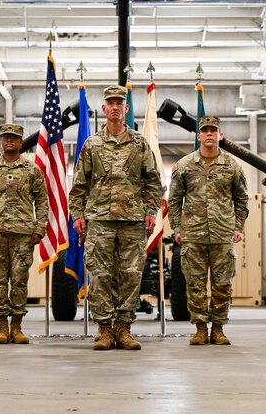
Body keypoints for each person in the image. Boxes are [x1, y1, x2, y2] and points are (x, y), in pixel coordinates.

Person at [69, 84, 163, 351]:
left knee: (131, 275)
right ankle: (104, 329)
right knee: (100, 276)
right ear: (103, 109)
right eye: (109, 103)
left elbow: (153, 182)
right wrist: (78, 215)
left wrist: (150, 211)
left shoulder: (140, 144)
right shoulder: (92, 144)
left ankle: (123, 328)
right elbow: (79, 185)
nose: (114, 107)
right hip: (98, 221)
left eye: (118, 103)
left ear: (126, 108)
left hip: (133, 221)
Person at [168, 116, 249, 346]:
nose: (210, 134)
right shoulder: (185, 165)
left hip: (223, 234)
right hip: (193, 235)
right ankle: (201, 329)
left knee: (223, 283)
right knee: (195, 283)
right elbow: (174, 199)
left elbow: (241, 199)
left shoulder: (232, 166)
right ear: (199, 136)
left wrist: (238, 227)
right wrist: (177, 228)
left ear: (220, 135)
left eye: (214, 130)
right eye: (205, 131)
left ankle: (219, 329)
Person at [0, 123, 48, 345]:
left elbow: (42, 200)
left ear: (20, 142)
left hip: (23, 233)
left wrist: (40, 228)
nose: (9, 140)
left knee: (19, 280)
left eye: (14, 138)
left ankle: (16, 327)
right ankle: (1, 328)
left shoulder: (31, 170)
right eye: (5, 137)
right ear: (1, 141)